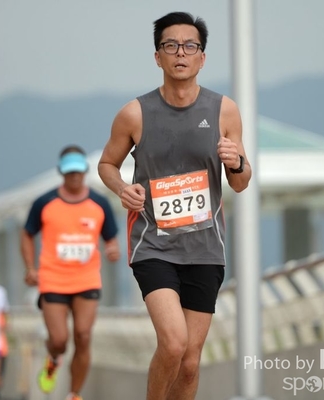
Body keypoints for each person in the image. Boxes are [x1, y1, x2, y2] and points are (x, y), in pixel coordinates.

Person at [97, 11, 252, 400]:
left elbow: (240, 182)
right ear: (157, 56)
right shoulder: (134, 113)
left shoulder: (224, 110)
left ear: (202, 57)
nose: (180, 53)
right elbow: (107, 164)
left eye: (189, 46)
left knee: (190, 362)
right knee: (173, 342)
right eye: (171, 45)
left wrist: (236, 161)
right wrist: (122, 188)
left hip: (206, 248)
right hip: (154, 245)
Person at [20, 145, 120, 400]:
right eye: (69, 172)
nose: (74, 176)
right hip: (53, 279)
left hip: (86, 279)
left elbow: (111, 238)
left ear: (85, 171)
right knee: (59, 340)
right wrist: (30, 268)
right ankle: (53, 359)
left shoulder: (99, 203)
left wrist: (112, 250)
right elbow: (27, 234)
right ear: (61, 172)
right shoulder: (44, 203)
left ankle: (74, 394)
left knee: (83, 336)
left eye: (78, 171)